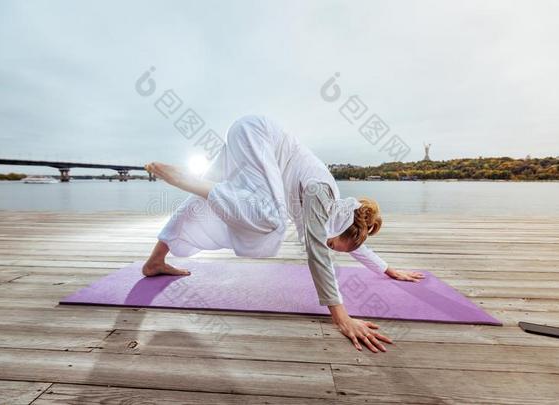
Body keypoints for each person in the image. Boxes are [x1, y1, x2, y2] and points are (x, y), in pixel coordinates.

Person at [144, 115, 424, 352]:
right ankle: (190, 181)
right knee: (272, 220)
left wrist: (387, 269)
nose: (327, 246)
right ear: (338, 230)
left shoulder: (335, 213)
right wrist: (342, 318)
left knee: (205, 203)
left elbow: (351, 241)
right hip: (258, 135)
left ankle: (155, 261)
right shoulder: (320, 193)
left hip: (250, 136)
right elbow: (317, 254)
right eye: (332, 245)